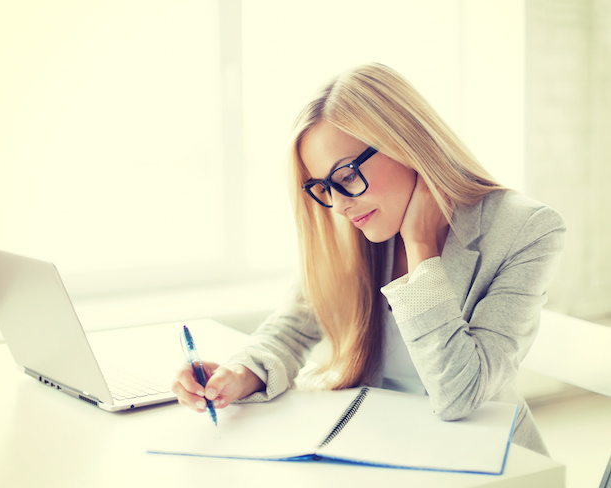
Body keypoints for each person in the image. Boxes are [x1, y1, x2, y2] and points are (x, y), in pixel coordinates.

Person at [172, 62, 565, 455]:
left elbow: (460, 395)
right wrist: (240, 374)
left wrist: (421, 246)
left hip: (486, 459)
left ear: (406, 144)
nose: (339, 205)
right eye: (323, 187)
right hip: (377, 445)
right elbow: (292, 328)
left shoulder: (526, 228)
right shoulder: (354, 228)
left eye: (345, 176)